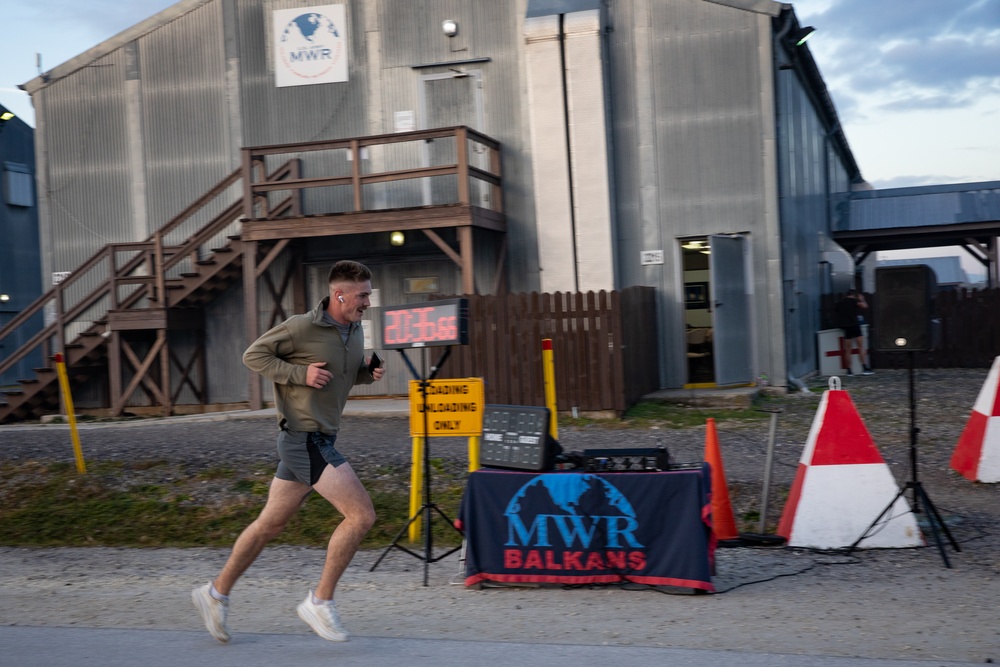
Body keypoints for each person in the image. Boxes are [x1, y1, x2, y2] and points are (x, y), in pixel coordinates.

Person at [192, 260, 386, 643]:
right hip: (303, 437)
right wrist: (300, 374)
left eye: (368, 294)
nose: (367, 301)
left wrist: (366, 374)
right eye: (362, 295)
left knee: (269, 525)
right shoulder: (301, 327)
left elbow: (342, 374)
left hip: (322, 437)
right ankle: (320, 601)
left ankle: (214, 593)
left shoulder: (355, 329)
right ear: (339, 294)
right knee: (361, 515)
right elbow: (254, 356)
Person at [836, 289, 873, 376]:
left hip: (846, 326)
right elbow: (865, 306)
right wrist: (862, 299)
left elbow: (836, 311)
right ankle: (864, 368)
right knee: (860, 347)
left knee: (848, 349)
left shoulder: (841, 302)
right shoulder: (853, 301)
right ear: (854, 295)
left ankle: (849, 370)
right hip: (855, 325)